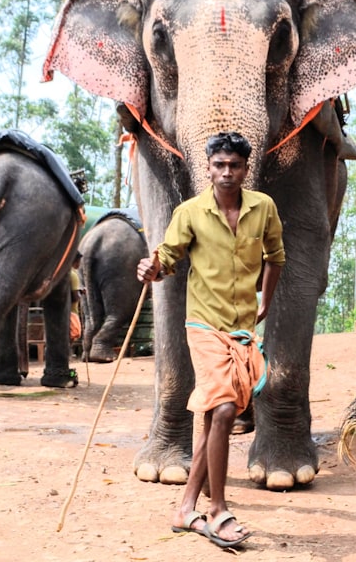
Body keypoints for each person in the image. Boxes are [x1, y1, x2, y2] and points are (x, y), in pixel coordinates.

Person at [137, 131, 285, 549]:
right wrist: (152, 268)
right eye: (219, 165)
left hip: (242, 329)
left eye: (234, 166)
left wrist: (265, 303)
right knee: (222, 410)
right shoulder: (190, 212)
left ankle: (186, 508)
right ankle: (218, 509)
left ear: (245, 169)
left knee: (211, 419)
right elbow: (167, 256)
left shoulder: (264, 209)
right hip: (203, 326)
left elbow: (276, 257)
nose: (226, 172)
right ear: (209, 168)